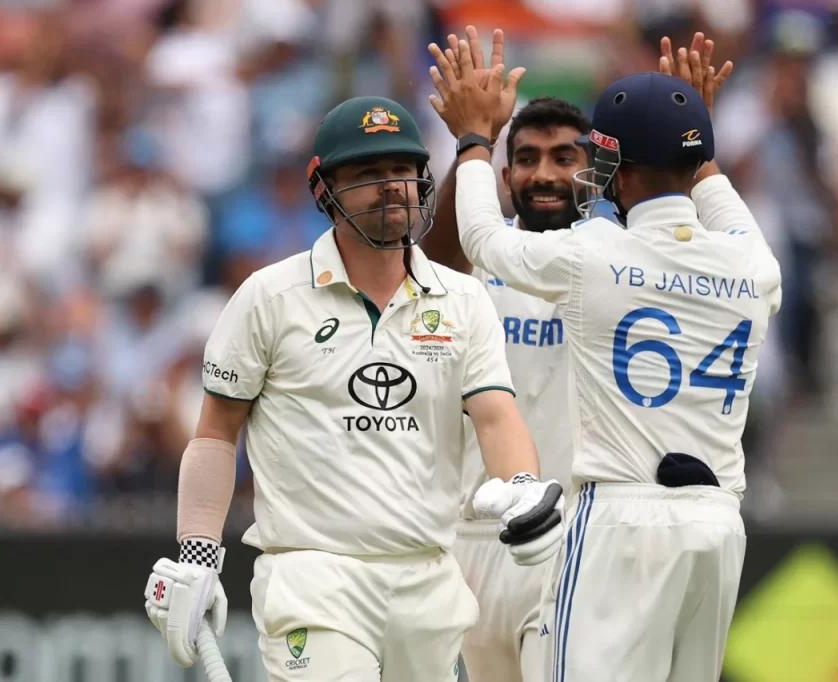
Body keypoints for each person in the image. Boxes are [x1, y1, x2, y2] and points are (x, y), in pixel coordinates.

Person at [140, 95, 567, 682]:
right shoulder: (270, 297)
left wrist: (520, 484)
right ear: (323, 188)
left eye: (402, 171)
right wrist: (198, 554)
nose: (392, 188)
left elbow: (495, 416)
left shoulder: (464, 299)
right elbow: (216, 433)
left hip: (430, 579)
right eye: (368, 174)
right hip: (314, 576)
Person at [427, 34, 781, 682]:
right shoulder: (754, 264)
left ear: (617, 168)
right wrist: (688, 131)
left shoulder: (593, 254)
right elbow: (717, 196)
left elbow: (479, 232)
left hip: (617, 517)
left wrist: (475, 139)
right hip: (718, 521)